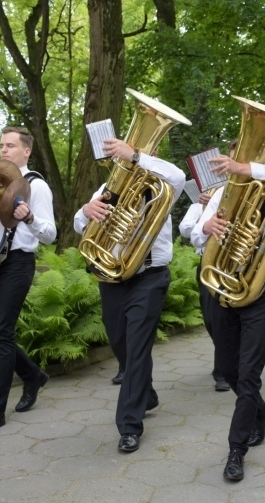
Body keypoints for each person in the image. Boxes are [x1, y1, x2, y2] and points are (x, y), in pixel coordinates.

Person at [74, 138, 185, 453]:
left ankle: (129, 426)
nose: (129, 155)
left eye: (139, 149)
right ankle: (146, 394)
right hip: (112, 274)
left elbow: (179, 176)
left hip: (148, 278)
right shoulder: (110, 185)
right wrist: (86, 210)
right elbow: (79, 224)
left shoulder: (164, 182)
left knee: (137, 348)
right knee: (120, 343)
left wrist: (136, 156)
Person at [190, 151, 265, 482]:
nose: (231, 164)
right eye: (231, 159)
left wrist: (247, 169)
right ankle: (261, 413)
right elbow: (193, 236)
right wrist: (206, 226)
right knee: (227, 368)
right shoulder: (221, 193)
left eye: (239, 159)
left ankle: (237, 450)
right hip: (220, 283)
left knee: (249, 374)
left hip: (259, 288)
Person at [0, 126, 57, 435]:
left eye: (10, 145)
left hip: (17, 264)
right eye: (1, 145)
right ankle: (33, 375)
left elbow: (50, 234)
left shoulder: (36, 186)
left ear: (26, 151)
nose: (3, 150)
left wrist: (29, 217)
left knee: (1, 335)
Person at [179, 189, 230, 392]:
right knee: (210, 318)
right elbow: (186, 230)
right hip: (208, 263)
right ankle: (226, 356)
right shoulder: (198, 206)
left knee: (223, 318)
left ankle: (223, 371)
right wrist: (204, 213)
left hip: (232, 263)